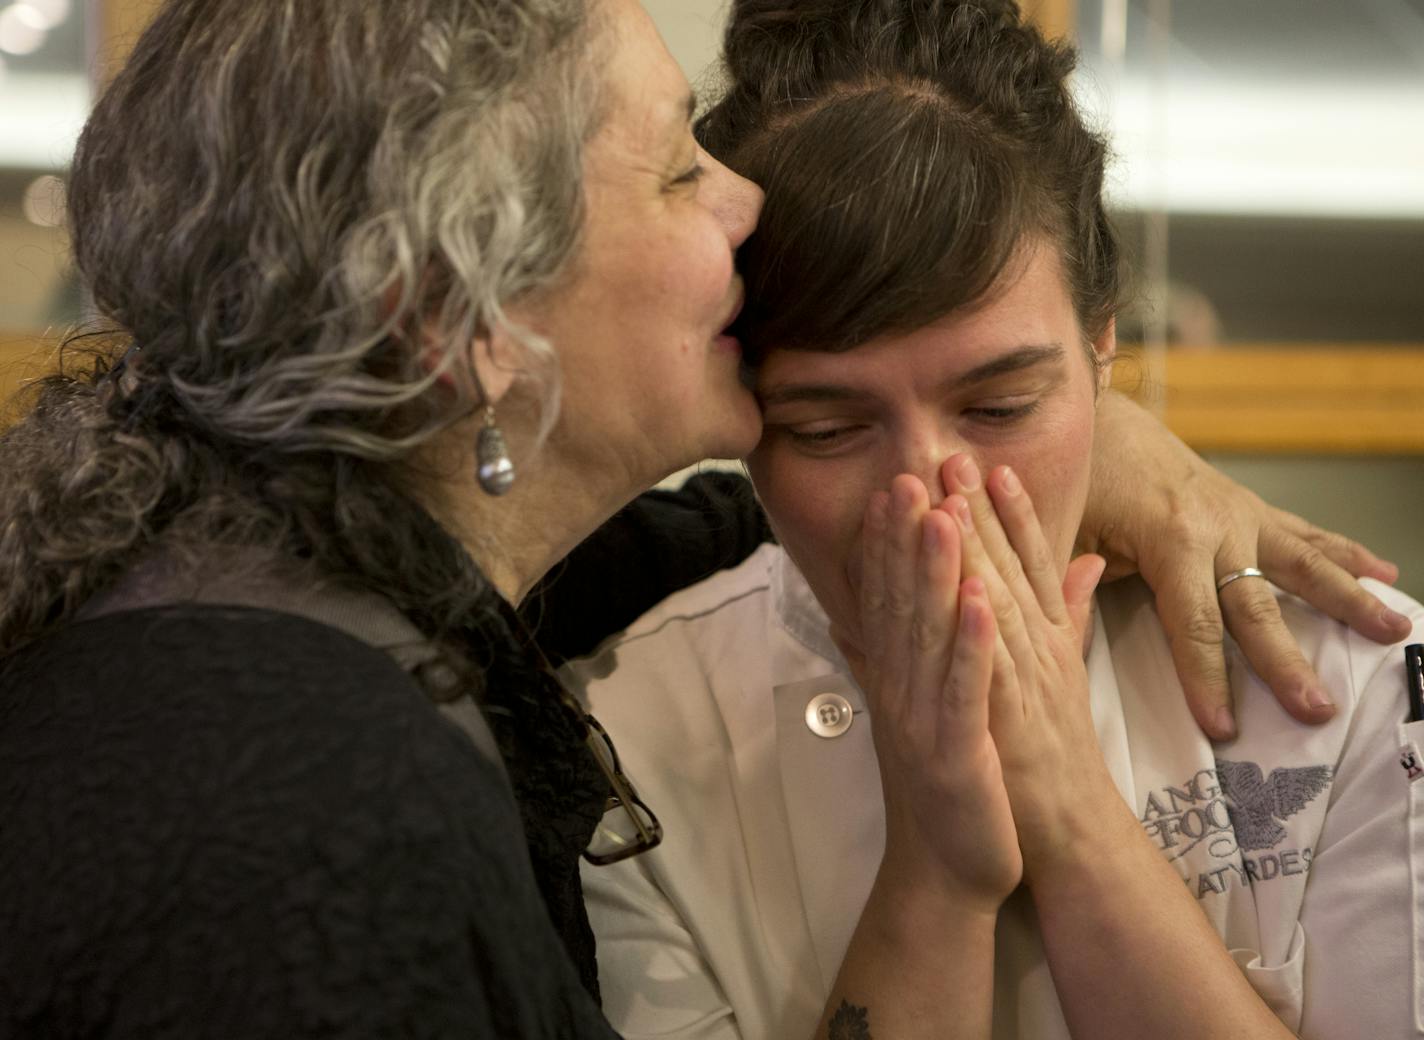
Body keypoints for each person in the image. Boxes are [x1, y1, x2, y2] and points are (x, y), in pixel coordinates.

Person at [0, 0, 1403, 1035]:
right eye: (680, 167)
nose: (742, 205)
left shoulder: (283, 571)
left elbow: (747, 527)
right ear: (468, 326)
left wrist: (1095, 440)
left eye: (997, 399)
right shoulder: (323, 807)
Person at [571, 2, 1424, 1038]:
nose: (935, 497)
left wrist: (1064, 801)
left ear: (1101, 352)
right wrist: (932, 869)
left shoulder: (1357, 669)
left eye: (998, 408)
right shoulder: (626, 739)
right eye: (829, 426)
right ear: (743, 416)